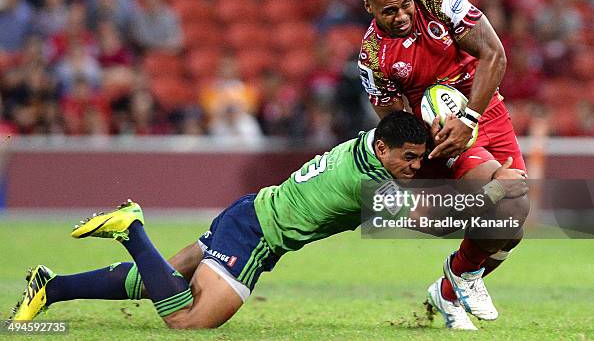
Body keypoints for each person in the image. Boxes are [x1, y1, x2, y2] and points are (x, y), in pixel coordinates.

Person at [9, 111, 527, 329]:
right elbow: (432, 222)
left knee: (158, 281)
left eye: (420, 161)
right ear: (386, 147)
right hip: (259, 234)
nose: (416, 169)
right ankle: (132, 229)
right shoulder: (369, 184)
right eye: (410, 159)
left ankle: (52, 289)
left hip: (250, 210)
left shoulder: (367, 150)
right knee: (186, 319)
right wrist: (502, 187)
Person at [358, 0, 530, 329]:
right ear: (369, 8)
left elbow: (494, 54)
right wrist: (430, 136)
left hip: (483, 109)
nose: (402, 15)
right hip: (437, 133)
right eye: (389, 10)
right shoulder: (373, 57)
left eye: (404, 4)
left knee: (513, 223)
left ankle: (449, 291)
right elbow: (395, 126)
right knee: (504, 196)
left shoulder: (441, 2)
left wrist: (468, 118)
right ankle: (461, 273)